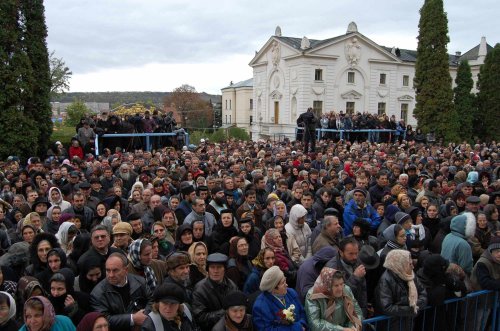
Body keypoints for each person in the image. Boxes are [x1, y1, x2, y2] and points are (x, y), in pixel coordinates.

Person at [90, 252, 152, 330]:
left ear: (126, 270)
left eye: (115, 270)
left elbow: (152, 299)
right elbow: (104, 319)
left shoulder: (140, 282)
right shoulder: (98, 293)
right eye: (108, 270)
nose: (111, 275)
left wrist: (143, 316)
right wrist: (132, 319)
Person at [374, 249, 427, 331]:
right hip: (391, 325)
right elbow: (387, 307)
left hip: (407, 323)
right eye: (409, 264)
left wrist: (415, 304)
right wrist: (410, 308)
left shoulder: (411, 275)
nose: (412, 267)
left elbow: (423, 294)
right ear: (400, 265)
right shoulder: (386, 280)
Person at [252, 265, 308, 330]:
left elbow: (302, 312)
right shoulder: (260, 306)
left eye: (285, 280)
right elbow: (266, 329)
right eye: (283, 283)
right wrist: (296, 328)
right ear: (273, 288)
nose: (286, 285)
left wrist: (302, 324)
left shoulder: (291, 293)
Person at [192, 253, 238, 330]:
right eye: (212, 267)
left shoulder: (232, 285)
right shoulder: (200, 289)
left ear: (225, 269)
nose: (215, 271)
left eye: (219, 267)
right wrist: (225, 312)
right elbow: (200, 318)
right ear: (208, 269)